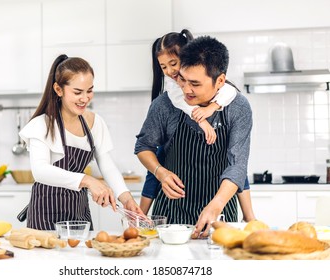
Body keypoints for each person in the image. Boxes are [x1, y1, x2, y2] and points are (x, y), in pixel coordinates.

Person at [135, 35, 253, 237]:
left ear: (220, 81)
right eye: (183, 80)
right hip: (170, 220)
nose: (186, 90)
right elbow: (143, 146)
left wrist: (216, 205)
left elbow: (238, 165)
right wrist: (160, 173)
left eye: (195, 84)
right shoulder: (165, 105)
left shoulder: (238, 107)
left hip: (220, 215)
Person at [19, 55, 142, 230]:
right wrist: (87, 180)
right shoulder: (42, 125)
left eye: (89, 90)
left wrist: (127, 199)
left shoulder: (95, 122)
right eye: (77, 92)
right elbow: (40, 171)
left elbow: (107, 166)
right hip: (45, 215)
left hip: (79, 214)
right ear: (58, 89)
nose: (85, 98)